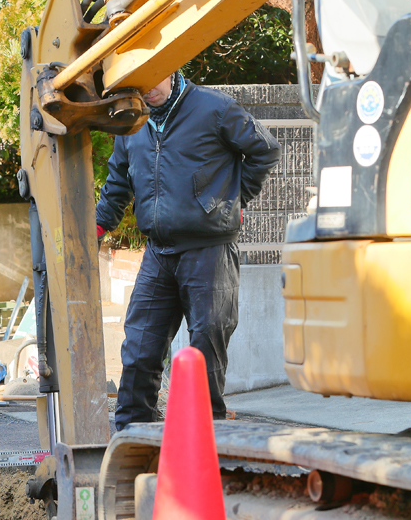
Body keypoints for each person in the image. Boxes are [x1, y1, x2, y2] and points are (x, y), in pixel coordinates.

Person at [96, 73, 280, 430]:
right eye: (138, 81)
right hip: (159, 252)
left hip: (208, 250)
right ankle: (134, 434)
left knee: (204, 348)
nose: (147, 89)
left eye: (152, 78)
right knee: (139, 349)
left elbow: (265, 150)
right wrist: (99, 226)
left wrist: (231, 199)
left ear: (171, 68)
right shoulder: (133, 121)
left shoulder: (214, 108)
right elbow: (118, 181)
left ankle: (205, 436)